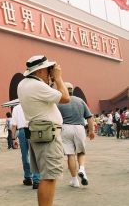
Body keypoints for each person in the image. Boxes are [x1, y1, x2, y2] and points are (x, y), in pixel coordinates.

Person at [17, 55, 70, 206]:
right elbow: (66, 97)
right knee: (49, 177)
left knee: (47, 176)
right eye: (48, 70)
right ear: (40, 71)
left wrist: (51, 79)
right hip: (48, 134)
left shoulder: (23, 84)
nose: (50, 73)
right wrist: (58, 78)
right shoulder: (37, 86)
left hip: (40, 132)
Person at [57, 82, 95, 188]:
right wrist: (91, 131)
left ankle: (75, 180)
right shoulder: (80, 101)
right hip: (79, 128)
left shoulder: (59, 102)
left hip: (65, 128)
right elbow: (89, 117)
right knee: (81, 152)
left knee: (70, 155)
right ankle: (82, 169)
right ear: (72, 90)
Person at [11, 104, 41, 189]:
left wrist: (13, 139)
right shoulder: (33, 105)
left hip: (22, 131)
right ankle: (37, 180)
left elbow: (13, 125)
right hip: (33, 129)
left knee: (25, 155)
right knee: (35, 155)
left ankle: (28, 177)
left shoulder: (16, 108)